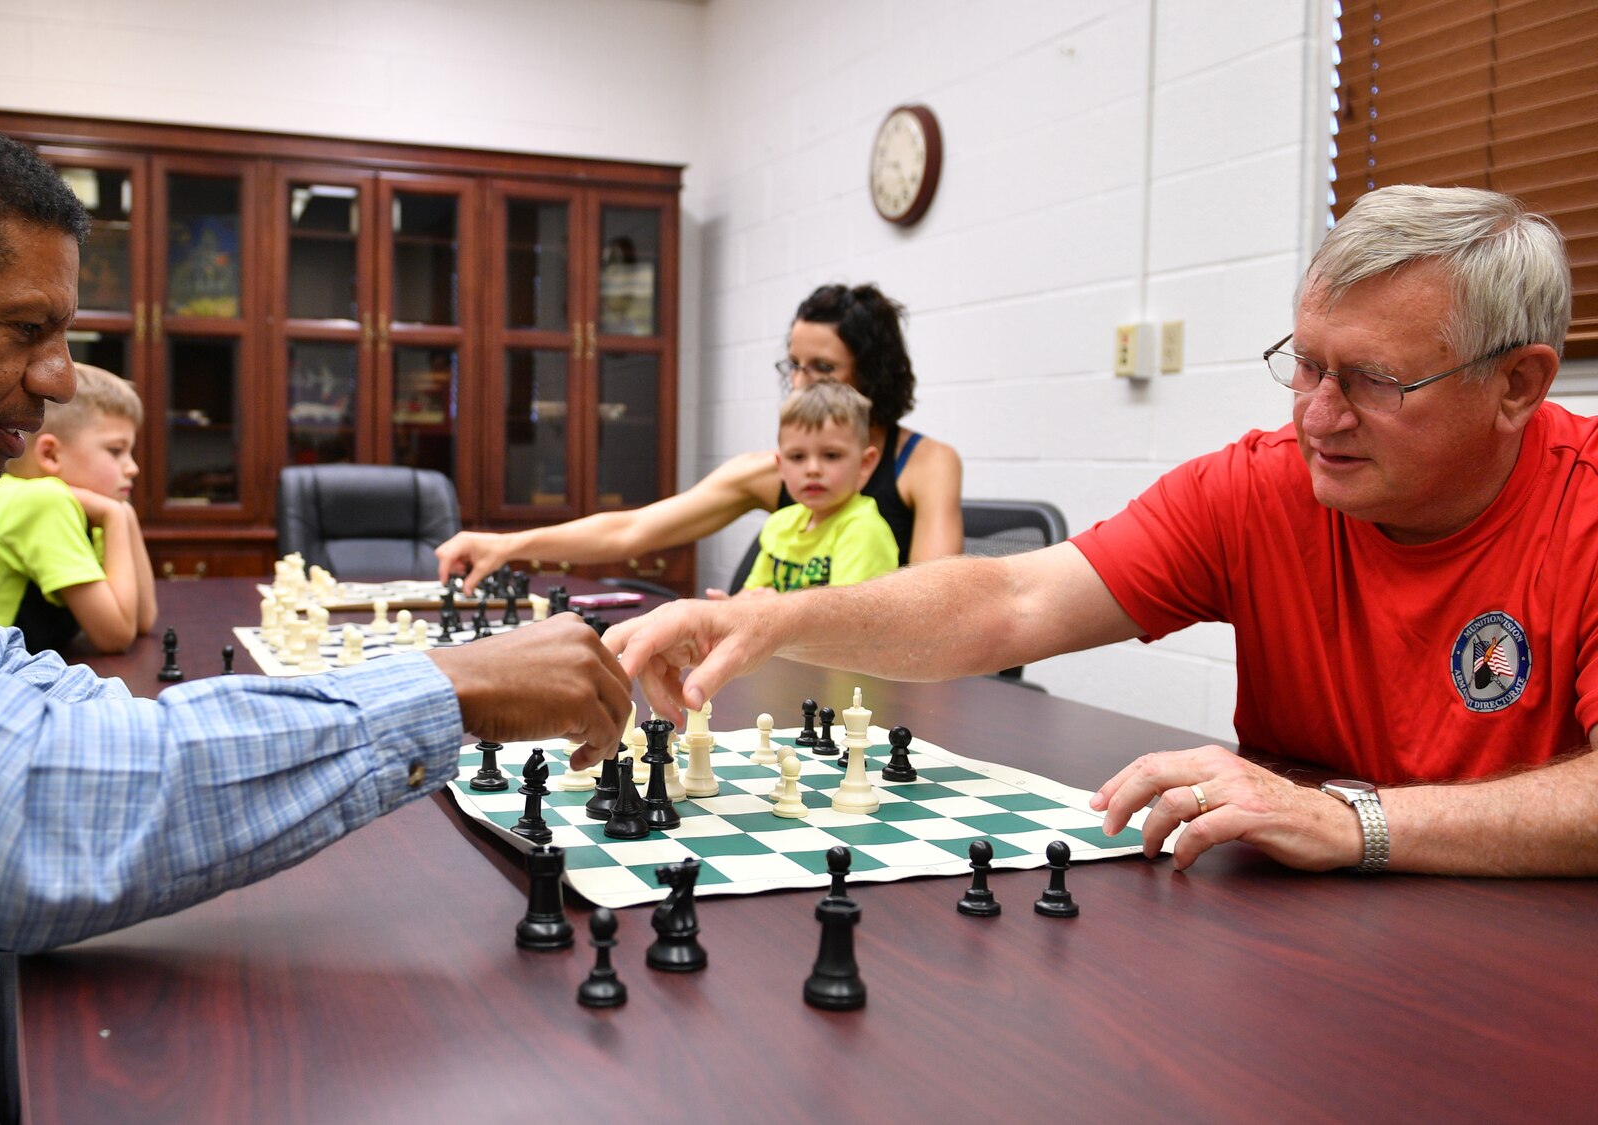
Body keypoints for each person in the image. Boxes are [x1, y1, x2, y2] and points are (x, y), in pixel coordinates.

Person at [0, 99, 628, 1122]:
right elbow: (13, 815)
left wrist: (412, 690)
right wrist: (444, 692)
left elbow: (26, 696)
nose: (56, 378)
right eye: (26, 330)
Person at [607, 184, 1596, 879]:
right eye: (1303, 364)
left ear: (1515, 384)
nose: (1317, 414)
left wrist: (1358, 820)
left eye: (1372, 380)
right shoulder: (1258, 487)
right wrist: (776, 623)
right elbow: (1011, 599)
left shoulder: (1584, 507)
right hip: (1302, 930)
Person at [435, 283, 962, 593]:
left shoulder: (926, 463)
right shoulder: (769, 470)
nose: (799, 384)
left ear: (872, 373)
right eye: (794, 366)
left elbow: (940, 600)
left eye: (822, 368)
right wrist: (508, 545)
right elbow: (633, 530)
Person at [0, 362, 158, 654]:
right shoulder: (41, 503)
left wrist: (123, 514)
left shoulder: (31, 496)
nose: (132, 468)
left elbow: (143, 620)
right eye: (115, 451)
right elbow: (116, 636)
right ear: (51, 454)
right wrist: (116, 516)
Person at [740, 380, 898, 594]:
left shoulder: (863, 531)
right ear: (781, 467)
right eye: (797, 457)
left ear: (865, 464)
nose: (812, 469)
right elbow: (750, 594)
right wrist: (729, 607)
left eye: (831, 455)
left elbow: (842, 619)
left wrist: (770, 607)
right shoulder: (779, 524)